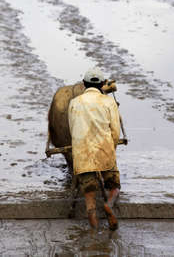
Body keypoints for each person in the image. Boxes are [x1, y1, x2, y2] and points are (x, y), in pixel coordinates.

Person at [68, 67, 121, 231]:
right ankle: (109, 204)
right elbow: (115, 132)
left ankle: (95, 234)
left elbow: (72, 130)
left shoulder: (74, 102)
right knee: (114, 185)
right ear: (103, 84)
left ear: (84, 84)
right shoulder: (109, 102)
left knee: (89, 195)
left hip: (82, 153)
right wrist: (112, 149)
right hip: (104, 149)